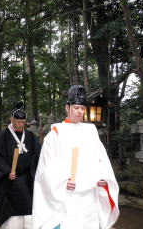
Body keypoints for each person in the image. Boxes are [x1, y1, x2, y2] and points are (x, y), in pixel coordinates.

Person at [32, 85, 119, 229]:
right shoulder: (55, 133)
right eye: (76, 108)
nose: (80, 112)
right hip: (66, 194)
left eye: (82, 108)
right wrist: (61, 181)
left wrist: (103, 176)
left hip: (89, 195)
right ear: (67, 107)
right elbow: (45, 166)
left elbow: (101, 158)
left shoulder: (90, 131)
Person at [0, 101, 41, 229]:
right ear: (12, 119)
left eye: (23, 122)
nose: (21, 125)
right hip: (10, 181)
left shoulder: (30, 136)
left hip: (28, 180)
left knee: (29, 213)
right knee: (13, 217)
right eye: (18, 122)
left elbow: (38, 156)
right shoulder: (2, 137)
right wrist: (6, 172)